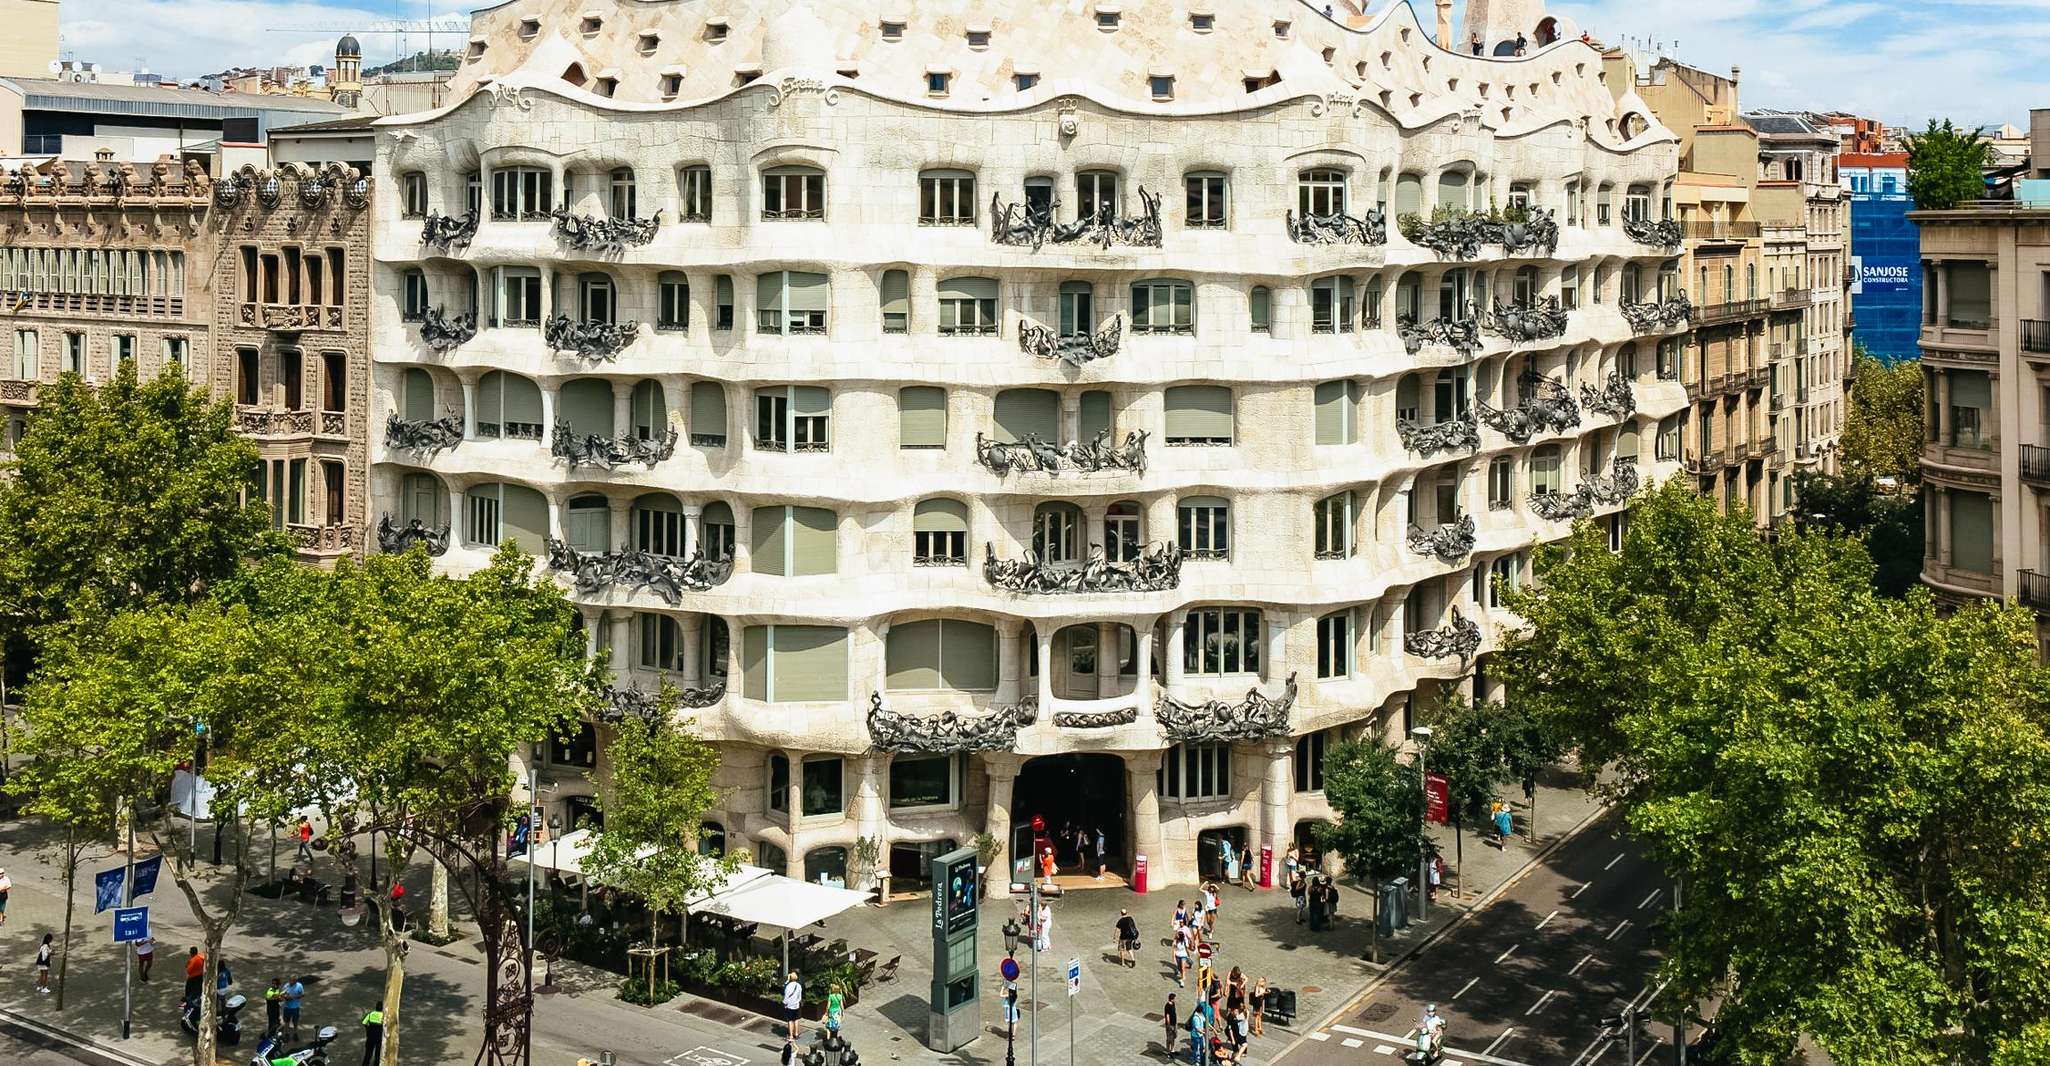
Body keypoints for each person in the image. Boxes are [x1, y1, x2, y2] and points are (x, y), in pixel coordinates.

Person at [281, 975, 307, 1040]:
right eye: (290, 980)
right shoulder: (286, 985)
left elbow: (303, 994)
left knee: (295, 1022)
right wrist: (285, 997)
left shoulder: (299, 986)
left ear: (296, 981)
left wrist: (293, 997)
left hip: (295, 1008)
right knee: (286, 1021)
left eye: (293, 981)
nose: (291, 982)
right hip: (287, 1007)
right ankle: (287, 1034)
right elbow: (282, 994)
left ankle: (295, 1034)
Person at [361, 1001, 385, 1066]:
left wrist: (368, 1029)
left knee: (368, 1054)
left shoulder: (371, 1014)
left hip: (370, 1037)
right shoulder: (384, 1016)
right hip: (379, 1038)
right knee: (378, 1055)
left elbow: (364, 1022)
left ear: (376, 1007)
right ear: (382, 1008)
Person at [781, 971, 803, 1042]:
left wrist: (784, 1003)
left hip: (790, 1005)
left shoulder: (788, 986)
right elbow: (800, 997)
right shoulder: (799, 986)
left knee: (790, 1020)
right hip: (796, 1005)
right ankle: (796, 1033)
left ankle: (791, 1036)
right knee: (796, 1019)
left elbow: (786, 996)